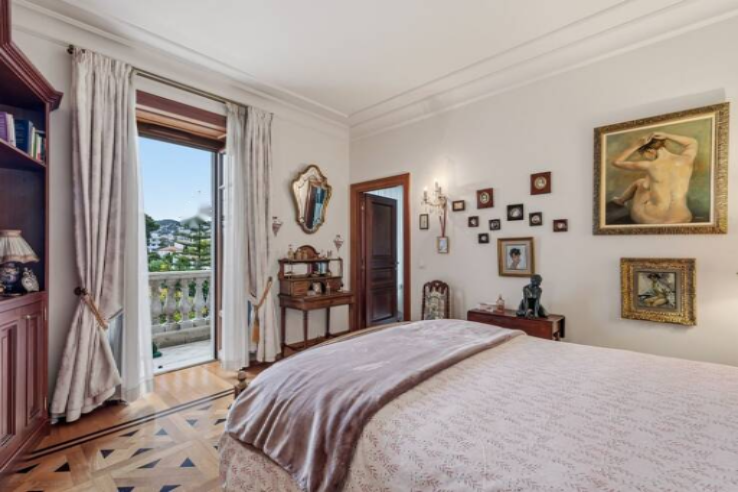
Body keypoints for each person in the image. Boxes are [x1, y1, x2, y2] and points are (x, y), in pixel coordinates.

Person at [611, 131, 698, 224]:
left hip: (655, 219)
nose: (645, 157)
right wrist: (666, 135)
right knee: (645, 182)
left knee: (640, 183)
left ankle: (621, 200)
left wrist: (637, 145)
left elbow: (616, 162)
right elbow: (692, 142)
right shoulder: (686, 159)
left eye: (643, 154)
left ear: (649, 151)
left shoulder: (650, 165)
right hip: (683, 217)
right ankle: (621, 200)